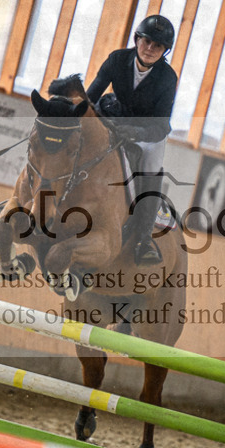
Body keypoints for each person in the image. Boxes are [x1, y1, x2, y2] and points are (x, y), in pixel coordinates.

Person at [86, 14, 178, 266]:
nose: (150, 49)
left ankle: (143, 240)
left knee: (150, 167)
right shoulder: (117, 59)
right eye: (146, 41)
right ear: (137, 39)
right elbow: (91, 96)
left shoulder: (168, 78)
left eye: (157, 45)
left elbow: (161, 124)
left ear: (164, 50)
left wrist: (134, 133)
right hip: (112, 119)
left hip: (147, 132)